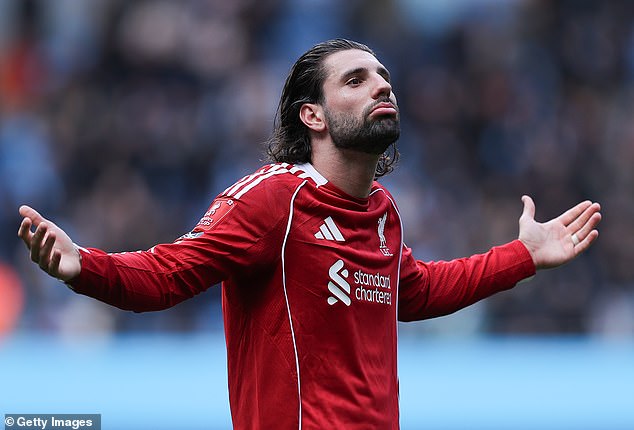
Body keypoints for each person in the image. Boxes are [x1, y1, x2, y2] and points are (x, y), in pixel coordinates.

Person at [18, 39, 601, 429]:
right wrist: (83, 266)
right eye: (356, 80)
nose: (381, 87)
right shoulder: (273, 199)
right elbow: (169, 273)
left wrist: (523, 256)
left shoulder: (382, 210)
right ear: (313, 115)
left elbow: (415, 290)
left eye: (384, 78)